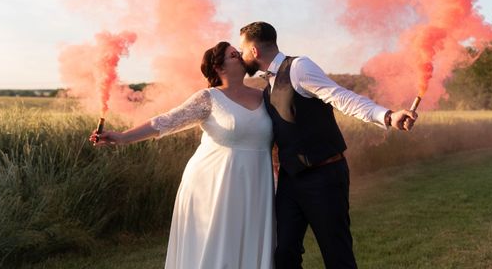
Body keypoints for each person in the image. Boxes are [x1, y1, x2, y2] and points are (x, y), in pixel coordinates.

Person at [239, 21, 417, 269]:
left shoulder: (298, 68)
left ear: (254, 51)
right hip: (291, 182)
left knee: (337, 255)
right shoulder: (267, 86)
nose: (241, 56)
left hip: (324, 177)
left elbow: (341, 97)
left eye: (243, 50)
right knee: (284, 255)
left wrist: (387, 116)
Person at [89, 42, 275, 269]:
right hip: (214, 186)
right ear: (219, 68)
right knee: (217, 247)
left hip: (258, 184)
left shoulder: (266, 96)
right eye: (234, 55)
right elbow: (166, 121)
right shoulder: (209, 98)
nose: (241, 56)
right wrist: (122, 137)